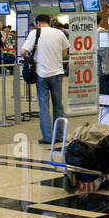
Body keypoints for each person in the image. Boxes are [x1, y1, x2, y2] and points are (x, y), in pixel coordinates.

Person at [22, 13, 68, 144]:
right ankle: (59, 135)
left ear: (38, 23)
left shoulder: (35, 33)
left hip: (41, 73)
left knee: (44, 106)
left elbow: (23, 52)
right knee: (58, 105)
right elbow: (65, 53)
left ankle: (48, 137)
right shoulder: (59, 33)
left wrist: (30, 59)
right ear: (49, 22)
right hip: (58, 73)